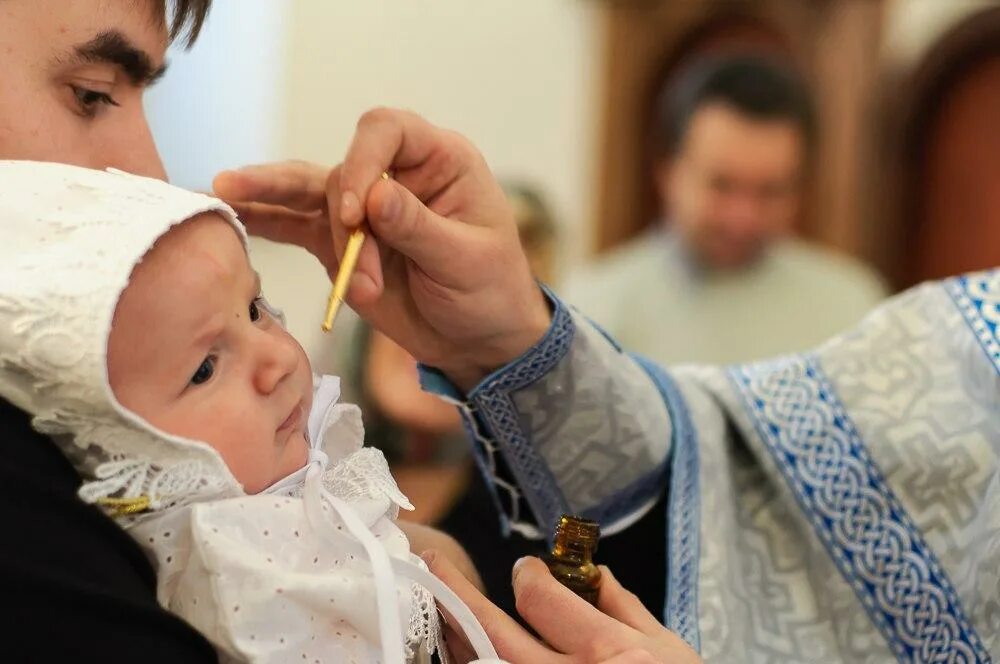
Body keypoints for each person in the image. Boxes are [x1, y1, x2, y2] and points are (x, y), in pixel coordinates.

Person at [1, 2, 991, 663]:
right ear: (666, 172)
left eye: (260, 308)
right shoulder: (114, 486)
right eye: (91, 93)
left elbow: (577, 536)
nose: (140, 164)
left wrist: (498, 590)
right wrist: (516, 351)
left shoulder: (846, 287)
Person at [0, 160, 504, 663]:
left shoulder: (317, 504)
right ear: (121, 443)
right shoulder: (225, 574)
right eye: (204, 369)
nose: (280, 360)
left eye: (255, 310)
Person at [565, 56, 887, 365]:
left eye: (771, 191)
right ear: (668, 171)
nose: (742, 218)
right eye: (721, 185)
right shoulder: (593, 312)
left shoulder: (852, 310)